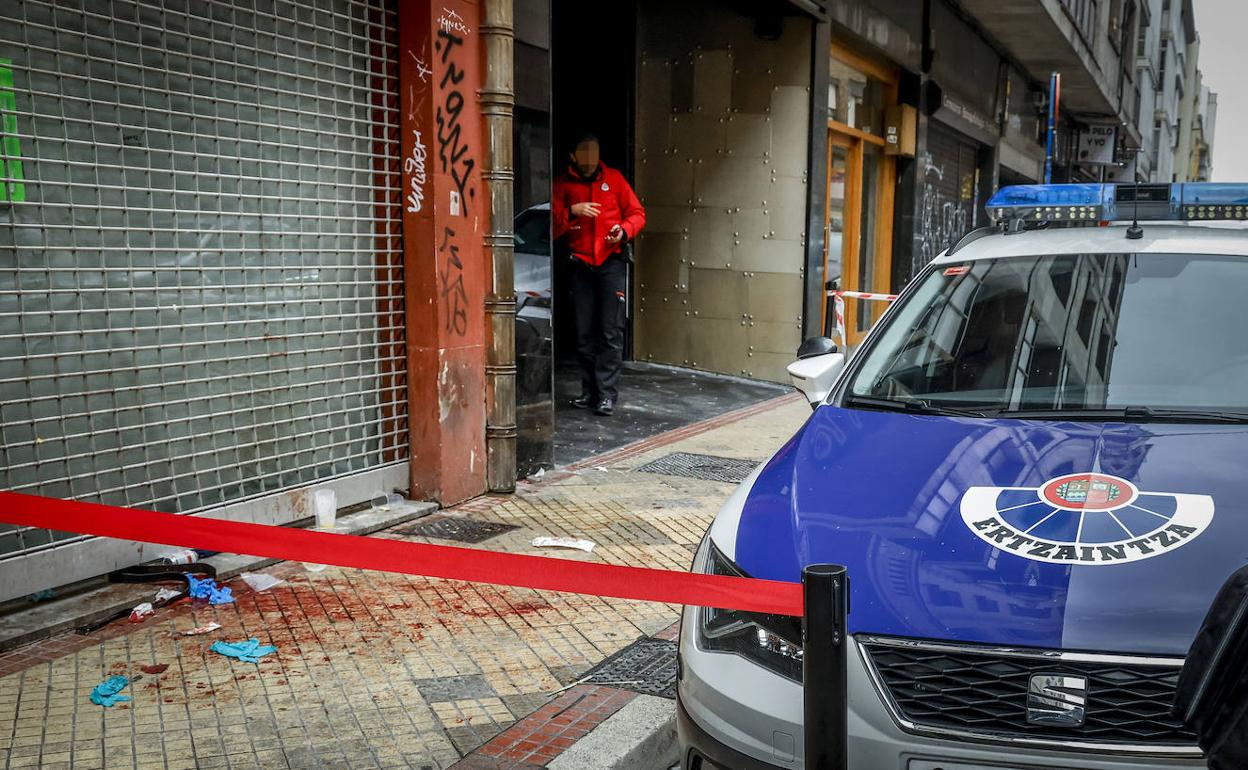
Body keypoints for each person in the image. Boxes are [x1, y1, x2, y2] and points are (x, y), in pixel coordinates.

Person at [552, 133, 646, 416]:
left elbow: (637, 214)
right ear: (573, 157)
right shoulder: (562, 185)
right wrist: (572, 210)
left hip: (611, 263)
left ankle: (606, 395)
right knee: (583, 333)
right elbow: (553, 226)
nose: (590, 160)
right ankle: (589, 391)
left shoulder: (614, 179)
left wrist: (623, 230)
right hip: (580, 265)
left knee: (610, 331)